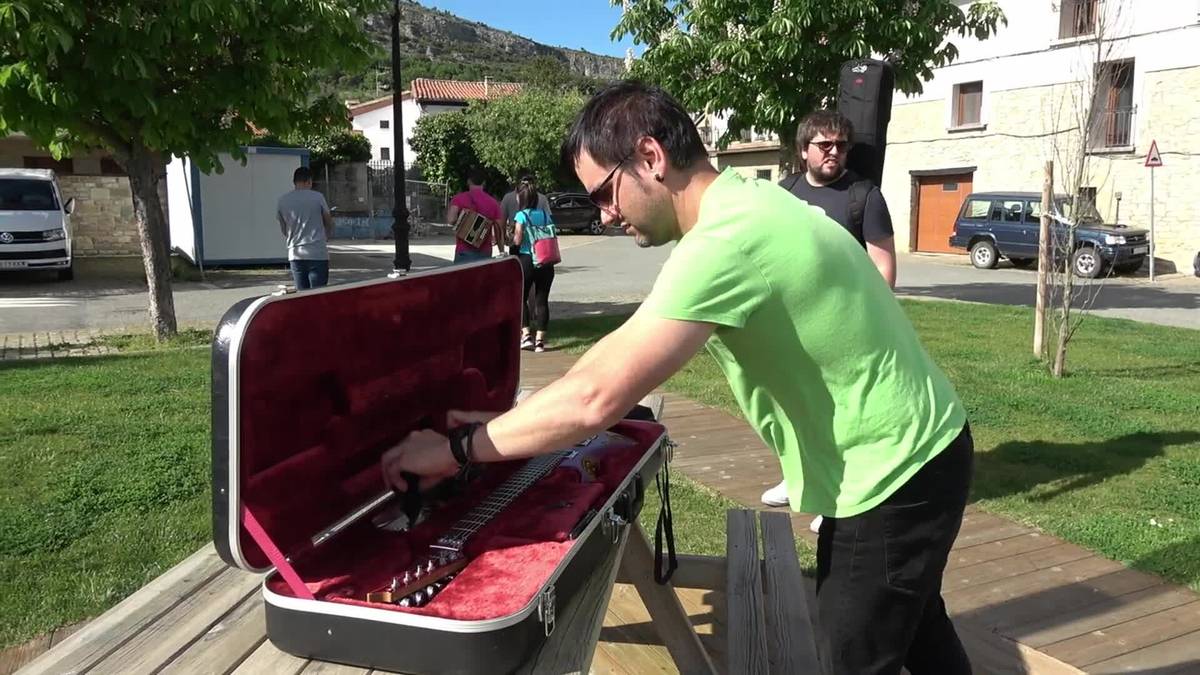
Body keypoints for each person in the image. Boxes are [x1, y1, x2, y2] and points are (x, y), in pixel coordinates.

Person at [381, 81, 974, 675]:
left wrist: (456, 450)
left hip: (893, 472)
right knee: (919, 627)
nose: (605, 215)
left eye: (605, 193)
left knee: (854, 657)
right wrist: (505, 422)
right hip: (926, 448)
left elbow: (595, 399)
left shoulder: (726, 242)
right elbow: (612, 356)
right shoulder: (746, 203)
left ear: (650, 157)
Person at [763, 110, 899, 523]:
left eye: (841, 145)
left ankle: (838, 497)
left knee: (843, 414)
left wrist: (868, 321)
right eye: (824, 145)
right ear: (803, 150)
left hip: (846, 327)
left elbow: (883, 266)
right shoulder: (784, 193)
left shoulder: (864, 196)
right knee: (797, 406)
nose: (834, 152)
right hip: (793, 323)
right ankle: (799, 477)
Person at [512, 180, 556, 352]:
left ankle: (526, 336)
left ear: (521, 198)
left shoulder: (521, 215)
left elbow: (517, 240)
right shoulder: (545, 215)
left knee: (521, 298)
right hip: (546, 261)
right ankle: (540, 342)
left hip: (528, 260)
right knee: (542, 301)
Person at [277, 166, 334, 290]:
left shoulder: (282, 201)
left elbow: (284, 228)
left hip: (295, 254)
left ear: (294, 182)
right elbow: (328, 220)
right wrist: (326, 236)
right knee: (318, 294)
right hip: (317, 253)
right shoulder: (318, 197)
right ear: (309, 181)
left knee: (302, 295)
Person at [445, 168, 502, 264]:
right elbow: (499, 229)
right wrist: (501, 250)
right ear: (484, 182)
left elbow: (451, 219)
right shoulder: (493, 203)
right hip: (485, 252)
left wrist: (464, 220)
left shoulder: (458, 199)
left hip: (463, 251)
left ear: (468, 181)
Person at [500, 171, 553, 255]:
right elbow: (550, 224)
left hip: (520, 247)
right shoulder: (542, 199)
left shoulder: (509, 199)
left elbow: (502, 222)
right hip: (541, 246)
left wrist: (504, 239)